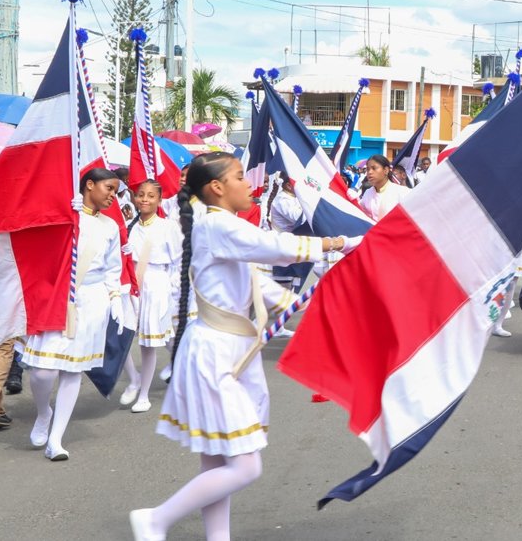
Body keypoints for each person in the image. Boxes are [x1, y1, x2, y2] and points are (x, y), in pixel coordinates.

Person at [130, 152, 359, 541]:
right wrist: (339, 241)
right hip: (215, 353)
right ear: (217, 188)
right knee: (245, 466)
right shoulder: (216, 225)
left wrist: (305, 306)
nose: (249, 183)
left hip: (231, 349)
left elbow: (257, 282)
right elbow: (274, 246)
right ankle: (156, 519)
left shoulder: (224, 225)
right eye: (240, 176)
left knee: (218, 459)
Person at [21, 168, 123, 461]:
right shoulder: (66, 214)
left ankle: (56, 439)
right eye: (109, 189)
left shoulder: (111, 226)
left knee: (73, 369)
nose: (112, 196)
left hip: (92, 300)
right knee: (43, 371)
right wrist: (64, 214)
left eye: (116, 191)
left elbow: (113, 267)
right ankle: (44, 413)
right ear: (89, 185)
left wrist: (115, 297)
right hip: (58, 296)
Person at [119, 180, 183, 414]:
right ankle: (134, 379)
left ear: (159, 199)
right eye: (140, 195)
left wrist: (175, 294)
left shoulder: (168, 227)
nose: (144, 199)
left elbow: (177, 262)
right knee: (122, 337)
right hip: (132, 285)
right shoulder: (129, 225)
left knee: (148, 344)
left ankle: (144, 393)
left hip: (157, 285)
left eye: (150, 196)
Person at [356, 154, 409, 223]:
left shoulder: (402, 192)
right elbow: (361, 213)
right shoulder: (368, 193)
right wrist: (353, 201)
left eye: (374, 168)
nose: (369, 172)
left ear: (386, 170)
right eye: (368, 169)